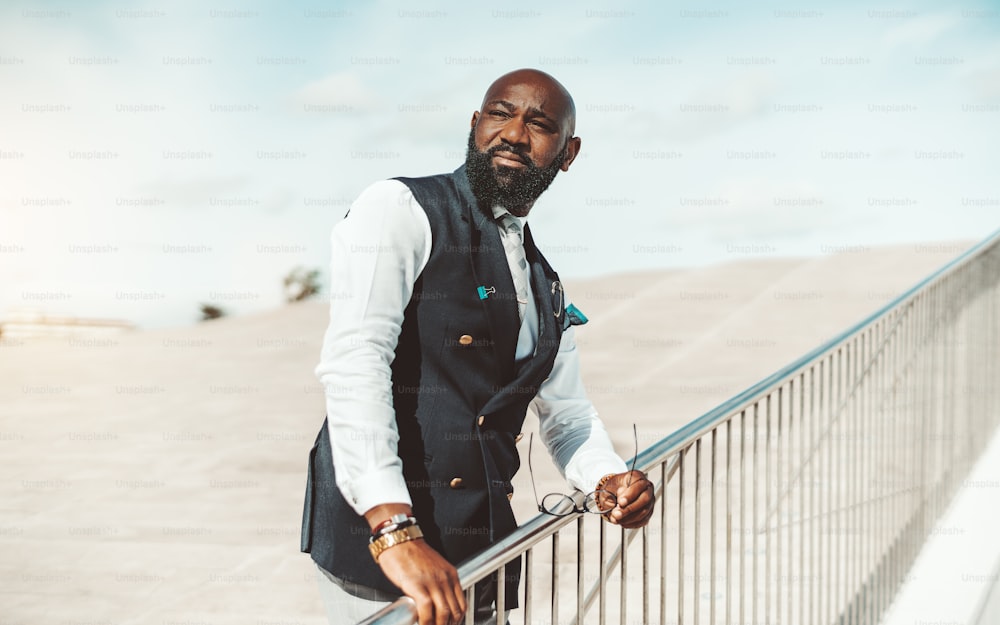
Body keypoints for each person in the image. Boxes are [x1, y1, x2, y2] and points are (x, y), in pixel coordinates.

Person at [300, 68, 656, 625]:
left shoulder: (546, 282)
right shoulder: (400, 208)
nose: (514, 133)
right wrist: (392, 528)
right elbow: (355, 363)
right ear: (475, 123)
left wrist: (608, 478)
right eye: (500, 113)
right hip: (383, 555)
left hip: (482, 552)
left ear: (568, 153)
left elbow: (565, 414)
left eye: (539, 125)